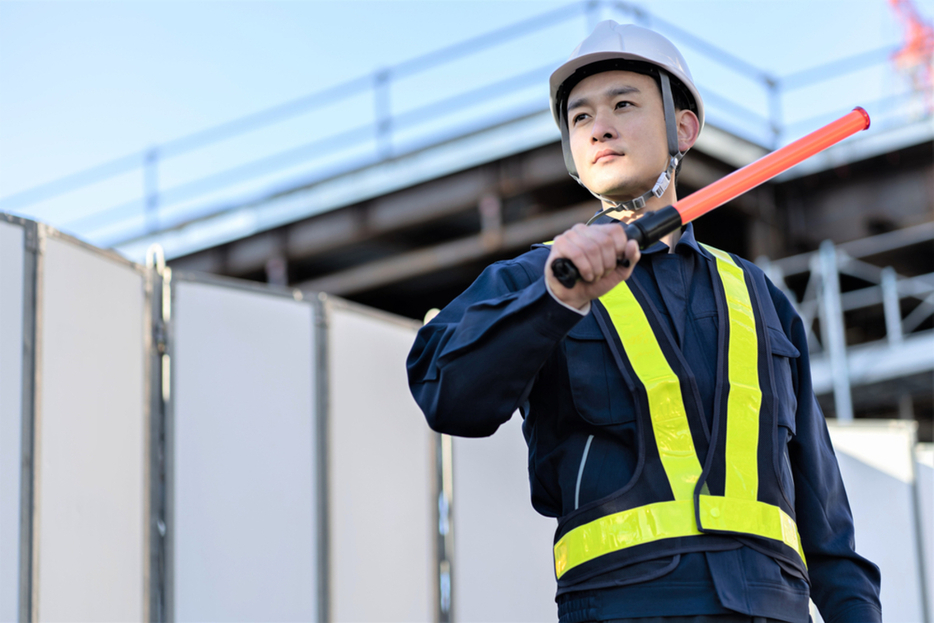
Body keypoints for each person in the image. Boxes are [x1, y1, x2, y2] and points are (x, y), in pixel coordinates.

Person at [406, 21, 881, 623]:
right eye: (579, 118)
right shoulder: (538, 276)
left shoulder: (762, 300)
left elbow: (826, 522)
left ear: (684, 126)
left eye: (623, 104)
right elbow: (446, 395)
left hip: (774, 609)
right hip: (624, 606)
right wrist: (555, 299)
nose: (598, 126)